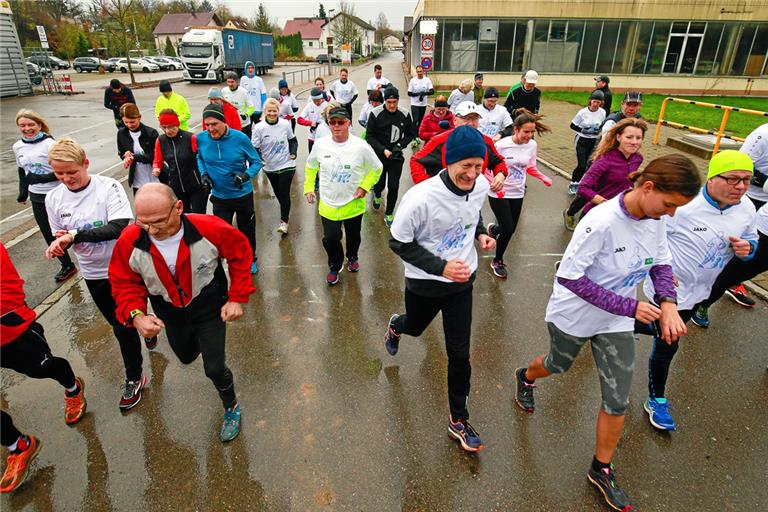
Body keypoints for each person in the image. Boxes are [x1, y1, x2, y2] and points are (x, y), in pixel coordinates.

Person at [514, 156, 701, 511]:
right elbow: (570, 277)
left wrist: (669, 303)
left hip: (614, 322)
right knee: (557, 364)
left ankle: (601, 468)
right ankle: (525, 376)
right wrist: (630, 307)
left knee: (617, 399)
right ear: (648, 187)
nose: (671, 214)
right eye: (670, 204)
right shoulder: (600, 222)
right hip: (574, 315)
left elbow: (661, 263)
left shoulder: (655, 217)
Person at [109, 183, 257, 442]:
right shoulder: (130, 239)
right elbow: (123, 281)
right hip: (169, 311)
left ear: (178, 208)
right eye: (143, 223)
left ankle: (231, 407)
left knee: (214, 367)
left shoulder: (208, 227)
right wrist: (137, 315)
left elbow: (240, 253)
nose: (151, 230)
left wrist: (236, 297)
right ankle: (195, 342)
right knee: (186, 356)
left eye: (157, 222)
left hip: (209, 307)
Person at [384, 125, 497, 453]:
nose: (473, 173)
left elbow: (472, 212)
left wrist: (479, 234)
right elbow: (398, 242)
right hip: (424, 282)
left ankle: (458, 419)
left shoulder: (480, 186)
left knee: (459, 353)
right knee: (415, 327)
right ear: (448, 161)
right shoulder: (420, 198)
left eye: (479, 166)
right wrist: (441, 266)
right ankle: (396, 325)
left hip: (462, 282)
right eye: (466, 166)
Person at [638, 151, 757, 432]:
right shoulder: (683, 205)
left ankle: (610, 324)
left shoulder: (747, 208)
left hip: (701, 290)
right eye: (733, 179)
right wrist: (659, 271)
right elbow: (648, 237)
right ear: (713, 178)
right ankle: (656, 399)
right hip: (668, 289)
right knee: (668, 341)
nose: (740, 187)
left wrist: (748, 250)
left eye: (746, 180)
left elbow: (751, 239)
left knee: (664, 330)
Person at [43, 138, 146, 411]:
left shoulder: (108, 187)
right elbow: (59, 233)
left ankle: (140, 353)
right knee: (120, 324)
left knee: (137, 316)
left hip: (125, 265)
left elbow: (120, 226)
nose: (66, 178)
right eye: (59, 173)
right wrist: (58, 244)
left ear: (85, 163)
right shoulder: (53, 198)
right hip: (94, 272)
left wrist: (75, 235)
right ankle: (135, 372)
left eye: (72, 172)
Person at [1, 242, 86, 493]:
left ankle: (72, 387)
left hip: (9, 333)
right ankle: (18, 445)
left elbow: (9, 290)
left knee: (43, 367)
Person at [304, 107, 383, 285]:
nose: (336, 126)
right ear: (329, 124)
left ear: (348, 123)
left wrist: (364, 187)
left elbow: (377, 168)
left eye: (341, 122)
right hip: (328, 203)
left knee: (353, 236)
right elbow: (311, 167)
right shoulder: (320, 144)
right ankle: (335, 264)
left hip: (353, 202)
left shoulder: (360, 146)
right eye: (333, 122)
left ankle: (352, 256)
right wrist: (309, 188)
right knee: (330, 238)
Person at [196, 104, 262, 274]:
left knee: (246, 231)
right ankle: (231, 258)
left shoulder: (240, 138)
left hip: (242, 195)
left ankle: (250, 258)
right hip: (219, 196)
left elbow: (256, 162)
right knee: (222, 234)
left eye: (214, 124)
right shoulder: (202, 139)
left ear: (223, 122)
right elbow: (200, 157)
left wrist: (246, 175)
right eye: (207, 124)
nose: (211, 129)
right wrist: (203, 174)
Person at [709, 122, 768, 307]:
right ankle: (707, 294)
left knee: (749, 250)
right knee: (727, 243)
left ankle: (732, 281)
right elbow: (740, 164)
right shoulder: (763, 136)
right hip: (747, 196)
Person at [486, 113, 553, 279]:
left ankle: (494, 229)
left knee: (510, 228)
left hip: (518, 192)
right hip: (499, 192)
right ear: (516, 129)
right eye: (526, 132)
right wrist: (494, 182)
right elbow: (486, 168)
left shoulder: (532, 145)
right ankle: (497, 260)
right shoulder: (501, 145)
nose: (529, 136)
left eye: (532, 132)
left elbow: (530, 167)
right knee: (508, 230)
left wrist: (542, 177)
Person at [13, 110, 76, 282]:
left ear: (39, 125)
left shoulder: (49, 144)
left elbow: (64, 171)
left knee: (70, 229)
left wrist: (39, 178)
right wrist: (23, 192)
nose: (27, 128)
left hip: (58, 194)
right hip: (37, 197)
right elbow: (22, 171)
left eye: (30, 124)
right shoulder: (18, 146)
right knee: (48, 234)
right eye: (23, 125)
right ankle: (67, 265)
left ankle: (91, 258)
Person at [692, 202, 767, 328]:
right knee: (730, 272)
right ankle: (702, 304)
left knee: (749, 271)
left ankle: (732, 283)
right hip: (764, 230)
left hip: (753, 213)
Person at [563, 118, 647, 231]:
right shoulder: (605, 160)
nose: (634, 142)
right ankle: (569, 213)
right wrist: (606, 204)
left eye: (638, 138)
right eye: (629, 137)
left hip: (619, 215)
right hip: (596, 215)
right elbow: (583, 188)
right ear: (618, 137)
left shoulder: (638, 159)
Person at [411, 101, 507, 192]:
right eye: (466, 118)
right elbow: (416, 160)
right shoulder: (440, 141)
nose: (471, 123)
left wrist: (501, 174)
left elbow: (498, 161)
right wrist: (427, 186)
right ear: (455, 120)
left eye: (474, 118)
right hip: (443, 199)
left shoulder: (486, 141)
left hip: (472, 198)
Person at [365, 86, 415, 226]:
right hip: (379, 156)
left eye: (394, 102)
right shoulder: (375, 114)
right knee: (379, 184)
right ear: (384, 101)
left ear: (398, 100)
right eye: (389, 102)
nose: (392, 105)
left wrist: (400, 146)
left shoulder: (404, 114)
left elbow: (411, 134)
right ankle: (377, 195)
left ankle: (389, 212)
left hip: (396, 157)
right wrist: (382, 149)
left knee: (393, 186)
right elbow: (369, 136)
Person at [251, 98, 298, 234]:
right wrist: (259, 159)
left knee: (284, 193)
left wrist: (293, 153)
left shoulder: (285, 124)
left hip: (287, 164)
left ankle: (284, 222)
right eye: (269, 111)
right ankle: (285, 211)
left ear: (278, 111)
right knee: (278, 194)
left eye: (274, 111)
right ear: (265, 112)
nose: (272, 113)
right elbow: (254, 147)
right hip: (270, 167)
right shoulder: (259, 128)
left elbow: (293, 140)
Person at [152, 109, 208, 214]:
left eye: (171, 127)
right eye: (164, 127)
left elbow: (202, 157)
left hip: (195, 184)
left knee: (198, 215)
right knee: (183, 216)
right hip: (176, 185)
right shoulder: (161, 140)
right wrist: (156, 168)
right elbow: (157, 159)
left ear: (177, 124)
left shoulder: (190, 137)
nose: (168, 131)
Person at [568, 90, 607, 195]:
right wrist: (583, 130)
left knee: (588, 164)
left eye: (598, 102)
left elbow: (602, 124)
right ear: (590, 101)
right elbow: (572, 125)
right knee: (581, 164)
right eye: (594, 101)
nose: (596, 104)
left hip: (593, 141)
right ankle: (573, 183)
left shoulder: (602, 112)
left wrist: (598, 130)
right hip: (581, 140)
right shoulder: (583, 112)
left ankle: (580, 183)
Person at [117, 103, 160, 196]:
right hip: (137, 179)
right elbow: (121, 152)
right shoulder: (121, 134)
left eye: (132, 122)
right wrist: (126, 156)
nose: (129, 125)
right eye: (126, 122)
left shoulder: (151, 133)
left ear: (139, 117)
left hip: (155, 176)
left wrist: (133, 157)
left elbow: (154, 156)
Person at [222, 72, 255, 139]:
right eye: (228, 82)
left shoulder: (244, 92)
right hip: (231, 125)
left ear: (237, 82)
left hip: (244, 125)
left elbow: (252, 108)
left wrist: (246, 115)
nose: (230, 84)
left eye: (232, 82)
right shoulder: (224, 91)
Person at [298, 87, 330, 153]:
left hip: (324, 136)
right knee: (312, 158)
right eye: (314, 101)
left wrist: (321, 124)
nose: (317, 103)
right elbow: (299, 120)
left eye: (318, 100)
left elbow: (331, 121)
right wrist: (310, 123)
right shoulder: (309, 106)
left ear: (321, 98)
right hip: (312, 137)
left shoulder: (326, 105)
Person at [407, 65, 435, 138]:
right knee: (415, 119)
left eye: (421, 71)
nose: (419, 73)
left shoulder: (427, 80)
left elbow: (432, 91)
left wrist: (424, 93)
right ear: (416, 72)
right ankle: (413, 135)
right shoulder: (413, 80)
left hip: (423, 104)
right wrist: (418, 94)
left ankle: (419, 133)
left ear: (423, 71)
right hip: (414, 103)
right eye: (418, 72)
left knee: (420, 120)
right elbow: (409, 93)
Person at [240, 60, 267, 125]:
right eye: (248, 68)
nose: (250, 70)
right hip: (247, 111)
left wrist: (264, 108)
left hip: (257, 109)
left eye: (252, 68)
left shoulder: (259, 80)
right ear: (245, 69)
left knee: (260, 129)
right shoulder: (243, 79)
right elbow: (241, 94)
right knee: (247, 131)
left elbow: (263, 94)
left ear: (254, 69)